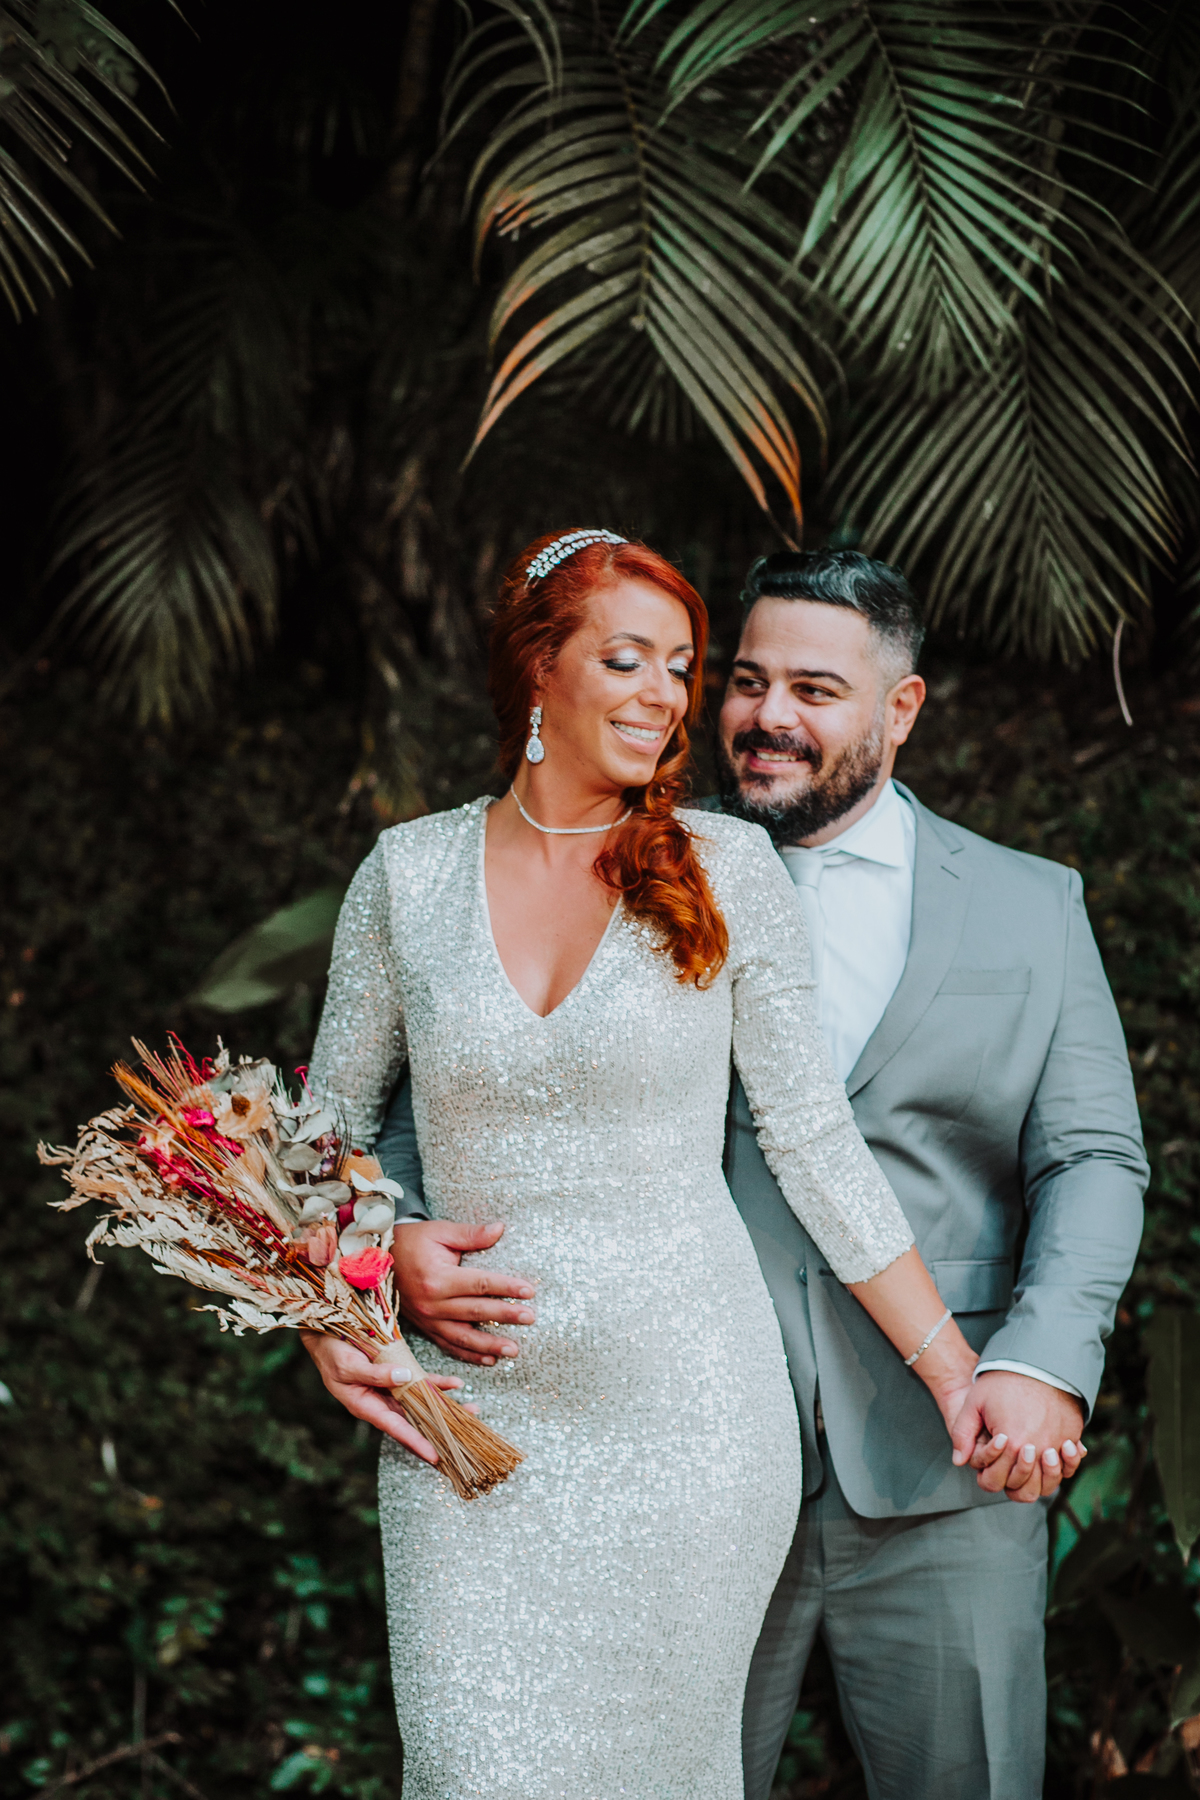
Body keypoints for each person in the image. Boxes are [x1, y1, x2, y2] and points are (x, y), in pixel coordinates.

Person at [376, 548, 1143, 1800]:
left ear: (901, 709)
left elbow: (1093, 1156)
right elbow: (421, 1117)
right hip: (668, 1447)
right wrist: (395, 1235)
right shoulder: (630, 860)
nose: (765, 716)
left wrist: (1037, 1362)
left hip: (940, 1463)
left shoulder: (1030, 906)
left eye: (814, 689)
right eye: (744, 680)